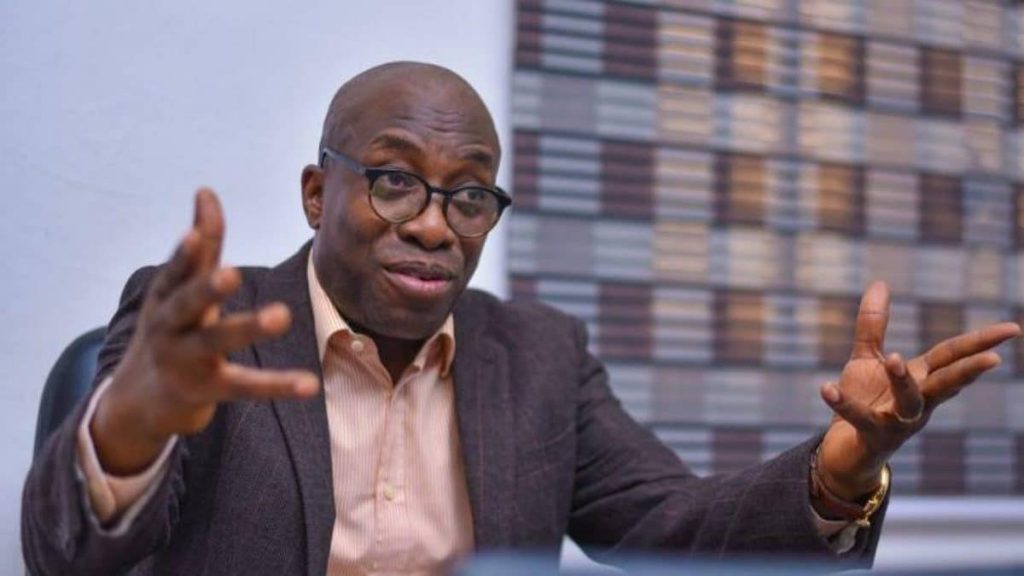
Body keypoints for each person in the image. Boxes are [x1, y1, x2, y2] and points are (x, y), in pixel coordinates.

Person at [22, 62, 1020, 576]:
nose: (434, 226)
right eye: (394, 181)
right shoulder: (204, 326)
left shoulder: (538, 355)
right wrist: (132, 426)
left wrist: (838, 471)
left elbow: (668, 529)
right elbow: (65, 558)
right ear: (317, 194)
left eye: (469, 195)